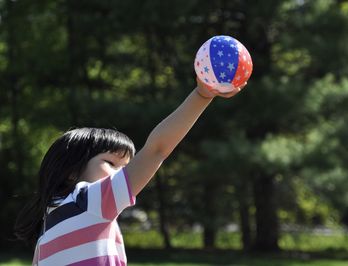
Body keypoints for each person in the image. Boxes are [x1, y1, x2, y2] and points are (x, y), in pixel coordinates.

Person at [14, 78, 245, 265]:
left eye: (125, 168)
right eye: (111, 163)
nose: (121, 174)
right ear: (72, 171)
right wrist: (202, 95)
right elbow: (157, 150)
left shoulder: (48, 224)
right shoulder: (89, 200)